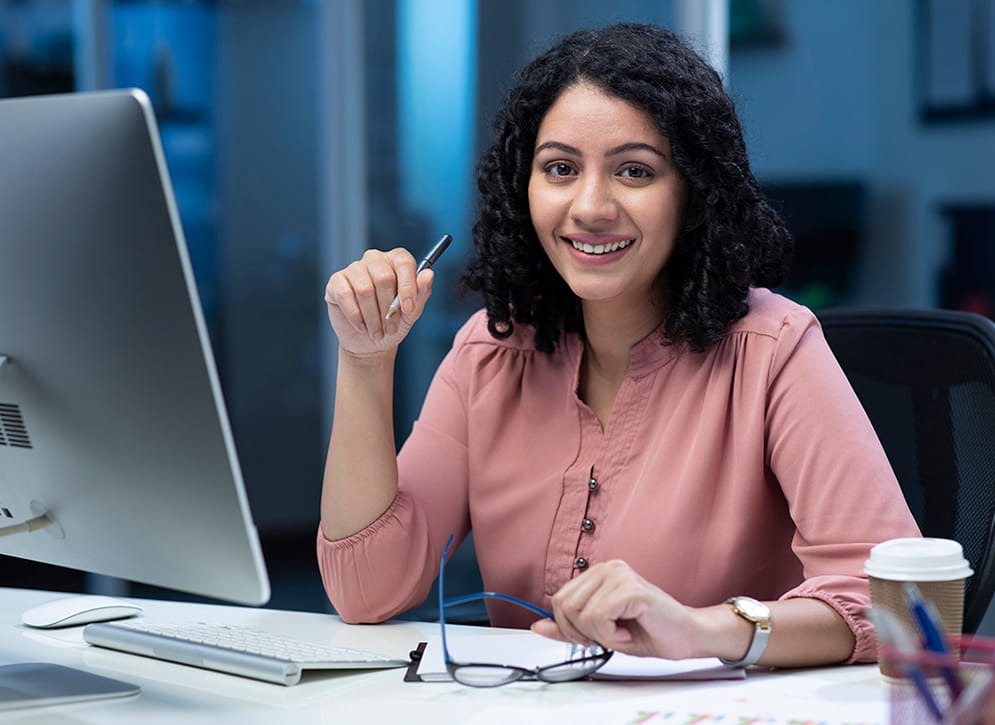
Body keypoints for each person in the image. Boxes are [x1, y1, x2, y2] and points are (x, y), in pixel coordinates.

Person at [318, 22, 920, 668]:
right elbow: (366, 591)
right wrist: (364, 360)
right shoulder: (489, 351)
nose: (590, 206)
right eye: (559, 168)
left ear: (692, 193)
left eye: (634, 170)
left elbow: (898, 610)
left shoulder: (772, 348)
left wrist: (705, 628)